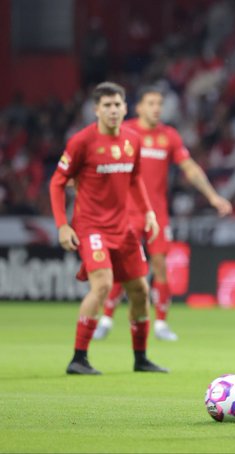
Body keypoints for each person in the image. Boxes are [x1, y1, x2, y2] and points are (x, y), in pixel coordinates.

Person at [93, 86, 232, 342]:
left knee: (160, 267)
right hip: (126, 213)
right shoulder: (125, 131)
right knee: (122, 268)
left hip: (157, 215)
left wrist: (212, 196)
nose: (157, 108)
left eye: (159, 103)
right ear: (138, 108)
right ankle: (106, 318)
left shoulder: (168, 136)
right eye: (151, 103)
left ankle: (161, 324)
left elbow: (189, 167)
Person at [49, 81, 168, 375]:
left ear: (125, 108)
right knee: (102, 285)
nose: (113, 110)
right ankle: (79, 358)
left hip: (123, 228)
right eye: (107, 106)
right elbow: (57, 182)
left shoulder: (132, 140)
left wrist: (149, 213)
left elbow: (135, 177)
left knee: (140, 290)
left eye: (117, 105)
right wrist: (63, 226)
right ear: (96, 110)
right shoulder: (81, 142)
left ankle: (140, 359)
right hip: (92, 228)